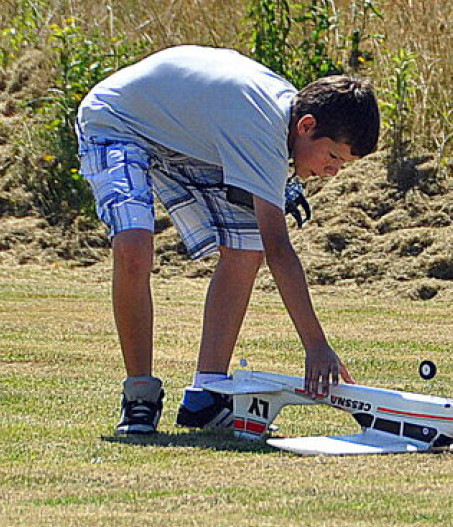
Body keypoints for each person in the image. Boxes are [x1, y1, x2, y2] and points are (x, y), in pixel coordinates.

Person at [76, 45, 380, 436]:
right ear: (306, 126)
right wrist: (316, 345)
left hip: (183, 136)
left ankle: (205, 396)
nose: (332, 171)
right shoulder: (263, 128)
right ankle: (140, 396)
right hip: (116, 121)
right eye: (333, 157)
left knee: (245, 248)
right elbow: (280, 249)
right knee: (134, 245)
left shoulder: (279, 122)